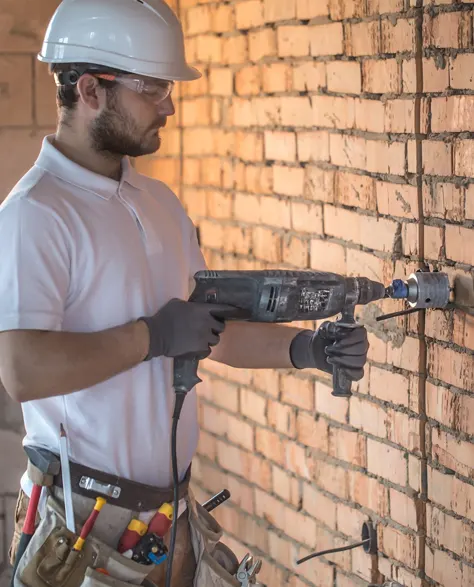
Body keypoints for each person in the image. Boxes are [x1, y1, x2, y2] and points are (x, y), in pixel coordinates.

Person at [0, 1, 369, 586]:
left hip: (169, 519)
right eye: (153, 88)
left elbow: (209, 330)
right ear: (92, 88)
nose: (169, 105)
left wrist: (307, 351)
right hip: (83, 530)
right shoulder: (36, 214)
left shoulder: (159, 204)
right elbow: (23, 371)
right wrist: (150, 338)